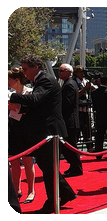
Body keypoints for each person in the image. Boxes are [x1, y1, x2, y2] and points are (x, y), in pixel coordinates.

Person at [9, 54, 76, 213]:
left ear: (35, 67)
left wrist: (11, 95)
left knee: (49, 168)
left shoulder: (44, 80)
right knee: (47, 166)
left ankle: (52, 202)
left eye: (25, 69)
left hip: (50, 130)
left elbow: (35, 99)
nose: (24, 72)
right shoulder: (41, 80)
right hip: (46, 129)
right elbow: (38, 105)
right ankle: (66, 193)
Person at [8, 67, 35, 204]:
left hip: (26, 131)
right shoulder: (9, 93)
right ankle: (16, 189)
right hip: (13, 130)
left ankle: (31, 190)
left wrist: (13, 107)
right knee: (14, 161)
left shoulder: (29, 93)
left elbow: (27, 111)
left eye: (9, 80)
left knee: (27, 161)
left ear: (16, 80)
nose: (7, 82)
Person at [58, 64, 83, 177]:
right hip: (69, 120)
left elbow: (66, 103)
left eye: (62, 70)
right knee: (68, 146)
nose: (59, 73)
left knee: (70, 146)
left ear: (69, 72)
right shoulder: (69, 83)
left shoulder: (69, 84)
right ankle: (74, 167)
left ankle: (76, 168)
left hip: (70, 120)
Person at [91, 74, 107, 160]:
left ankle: (98, 153)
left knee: (99, 135)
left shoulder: (94, 93)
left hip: (99, 115)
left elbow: (94, 105)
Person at [73, 65, 96, 152]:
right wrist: (85, 88)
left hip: (87, 109)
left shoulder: (86, 81)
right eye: (81, 72)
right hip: (78, 110)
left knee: (88, 129)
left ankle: (90, 148)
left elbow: (94, 89)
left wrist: (92, 87)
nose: (83, 74)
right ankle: (75, 150)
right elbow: (76, 95)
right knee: (77, 130)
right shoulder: (74, 82)